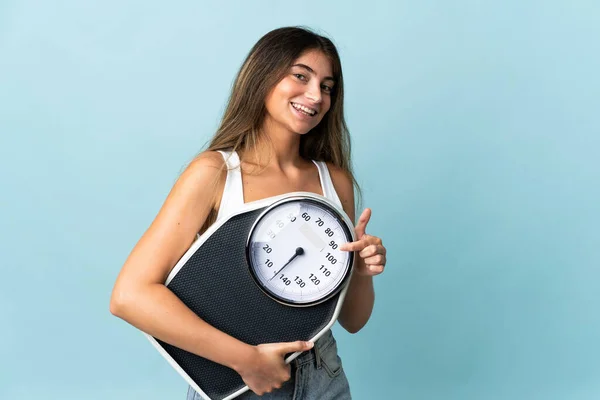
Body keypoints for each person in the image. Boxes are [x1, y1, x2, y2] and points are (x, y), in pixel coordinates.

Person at [109, 26, 387, 399]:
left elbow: (353, 321)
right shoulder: (215, 173)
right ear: (263, 76)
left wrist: (362, 272)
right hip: (238, 380)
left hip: (324, 376)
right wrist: (245, 360)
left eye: (327, 86)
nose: (315, 95)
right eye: (301, 76)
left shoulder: (333, 181)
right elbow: (130, 295)